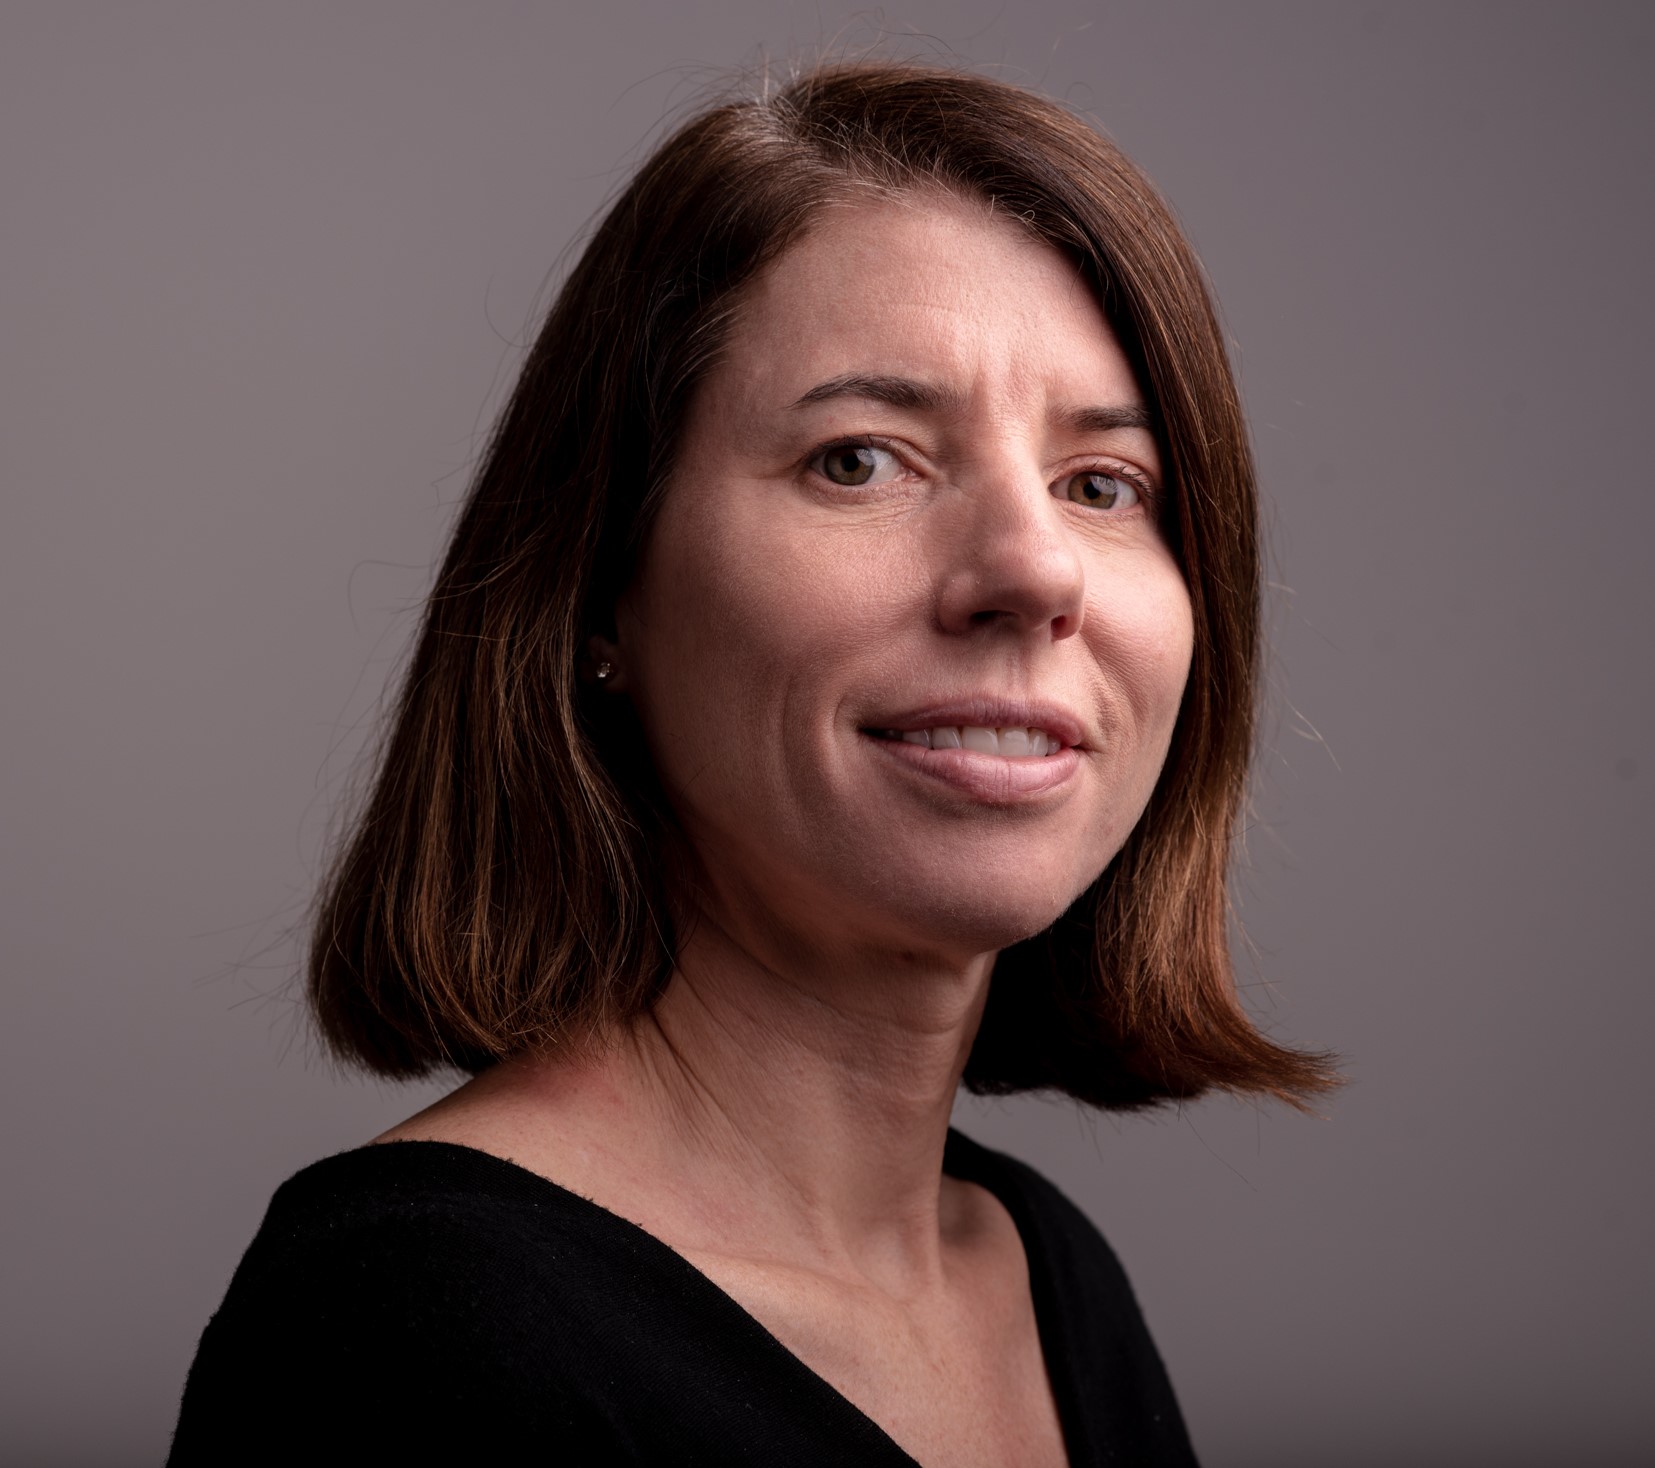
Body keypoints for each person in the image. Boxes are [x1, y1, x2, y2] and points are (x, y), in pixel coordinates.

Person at [167, 58, 1335, 1466]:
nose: (1035, 571)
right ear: (601, 586)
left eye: (1103, 485)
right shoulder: (409, 1335)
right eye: (862, 460)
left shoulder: (1052, 1282)